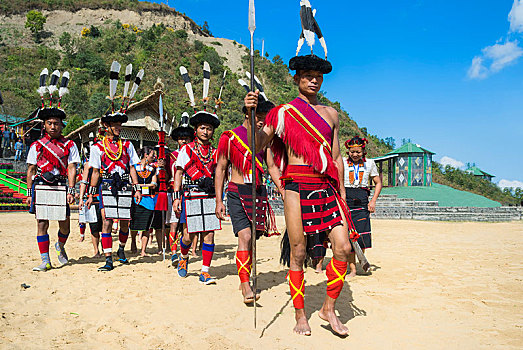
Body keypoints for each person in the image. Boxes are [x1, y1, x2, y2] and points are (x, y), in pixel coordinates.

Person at [244, 2, 360, 334]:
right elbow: (257, 147)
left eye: (318, 76)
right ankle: (299, 314)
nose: (314, 80)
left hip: (326, 188)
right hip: (296, 186)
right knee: (297, 250)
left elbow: (336, 157)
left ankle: (327, 308)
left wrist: (340, 189)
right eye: (308, 75)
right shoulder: (281, 113)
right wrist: (255, 115)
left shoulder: (331, 114)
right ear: (297, 78)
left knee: (343, 247)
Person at [215, 92, 282, 304]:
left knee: (252, 239)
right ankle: (246, 285)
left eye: (265, 115)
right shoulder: (230, 137)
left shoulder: (265, 139)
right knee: (244, 235)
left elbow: (271, 166)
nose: (262, 119)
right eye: (258, 114)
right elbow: (221, 168)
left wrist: (281, 187)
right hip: (236, 190)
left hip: (258, 193)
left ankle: (244, 276)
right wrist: (219, 200)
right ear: (247, 113)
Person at [172, 61, 222, 285]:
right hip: (190, 195)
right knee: (187, 235)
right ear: (196, 130)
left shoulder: (216, 151)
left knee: (209, 234)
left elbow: (221, 175)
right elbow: (179, 173)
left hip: (209, 196)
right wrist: (176, 198)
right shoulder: (186, 149)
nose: (206, 131)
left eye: (209, 128)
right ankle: (183, 258)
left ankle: (204, 271)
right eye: (202, 127)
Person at [26, 106, 80, 271]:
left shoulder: (69, 144)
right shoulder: (37, 145)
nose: (53, 126)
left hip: (60, 187)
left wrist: (71, 190)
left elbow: (71, 168)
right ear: (44, 125)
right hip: (41, 186)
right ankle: (45, 260)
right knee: (42, 223)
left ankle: (60, 245)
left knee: (65, 226)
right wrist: (29, 193)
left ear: (61, 125)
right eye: (49, 123)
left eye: (56, 123)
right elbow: (31, 169)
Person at [344, 136, 382, 275]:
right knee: (348, 237)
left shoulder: (370, 163)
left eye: (358, 152)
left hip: (362, 200)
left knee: (361, 236)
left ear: (363, 151)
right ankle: (352, 269)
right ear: (348, 151)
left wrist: (373, 201)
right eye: (352, 152)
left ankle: (361, 261)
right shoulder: (341, 162)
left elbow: (378, 183)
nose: (355, 155)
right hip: (346, 201)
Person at [166, 112, 193, 265]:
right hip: (174, 191)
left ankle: (186, 251)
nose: (183, 140)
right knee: (173, 223)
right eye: (181, 138)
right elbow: (169, 174)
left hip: (190, 191)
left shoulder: (194, 153)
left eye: (186, 138)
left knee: (185, 225)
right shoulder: (171, 156)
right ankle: (173, 252)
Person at [129, 146, 158, 257]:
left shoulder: (153, 169)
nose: (154, 157)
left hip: (149, 199)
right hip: (136, 199)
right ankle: (133, 243)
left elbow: (154, 184)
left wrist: (140, 185)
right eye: (152, 155)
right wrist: (145, 185)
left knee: (147, 226)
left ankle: (143, 250)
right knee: (134, 223)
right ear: (146, 155)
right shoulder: (134, 168)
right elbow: (132, 181)